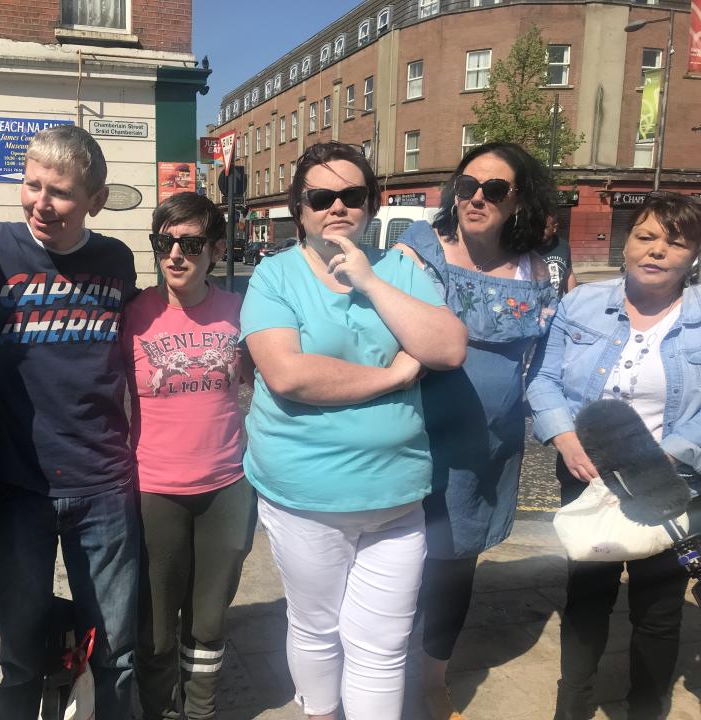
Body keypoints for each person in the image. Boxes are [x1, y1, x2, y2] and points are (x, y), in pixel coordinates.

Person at [240, 141, 468, 720]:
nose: (336, 206)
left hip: (396, 497)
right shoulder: (274, 276)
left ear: (371, 202)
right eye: (321, 196)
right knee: (318, 627)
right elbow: (289, 374)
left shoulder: (397, 270)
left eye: (352, 195)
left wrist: (369, 280)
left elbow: (446, 348)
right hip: (307, 496)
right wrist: (392, 377)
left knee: (383, 646)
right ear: (300, 209)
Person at [0, 125, 138, 720]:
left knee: (115, 647)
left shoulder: (115, 260)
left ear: (95, 200)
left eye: (58, 191)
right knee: (18, 653)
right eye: (31, 184)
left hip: (104, 483)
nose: (41, 201)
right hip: (17, 484)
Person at [395, 141, 557, 720]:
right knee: (393, 562)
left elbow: (540, 362)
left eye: (495, 189)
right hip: (411, 438)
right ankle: (379, 672)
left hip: (485, 448)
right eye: (467, 185)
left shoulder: (535, 270)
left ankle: (432, 678)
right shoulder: (418, 251)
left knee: (454, 566)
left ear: (519, 201)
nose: (476, 197)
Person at [526, 191, 701, 720]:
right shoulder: (580, 304)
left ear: (693, 255)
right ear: (627, 244)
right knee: (587, 595)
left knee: (658, 608)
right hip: (586, 472)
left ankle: (646, 708)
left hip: (671, 482)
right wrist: (564, 437)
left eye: (676, 242)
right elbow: (543, 378)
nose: (657, 251)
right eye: (646, 237)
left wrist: (665, 457)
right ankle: (572, 706)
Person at [123, 192, 256, 720]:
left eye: (191, 243)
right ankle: (160, 711)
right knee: (155, 627)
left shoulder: (240, 312)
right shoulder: (133, 317)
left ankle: (199, 712)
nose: (176, 255)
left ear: (216, 249)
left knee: (207, 622)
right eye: (165, 243)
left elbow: (270, 381)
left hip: (227, 485)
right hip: (155, 489)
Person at [539, 214, 577, 298]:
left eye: (545, 227)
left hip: (557, 305)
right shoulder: (529, 248)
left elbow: (569, 274)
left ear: (555, 228)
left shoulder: (563, 246)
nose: (540, 231)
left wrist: (572, 299)